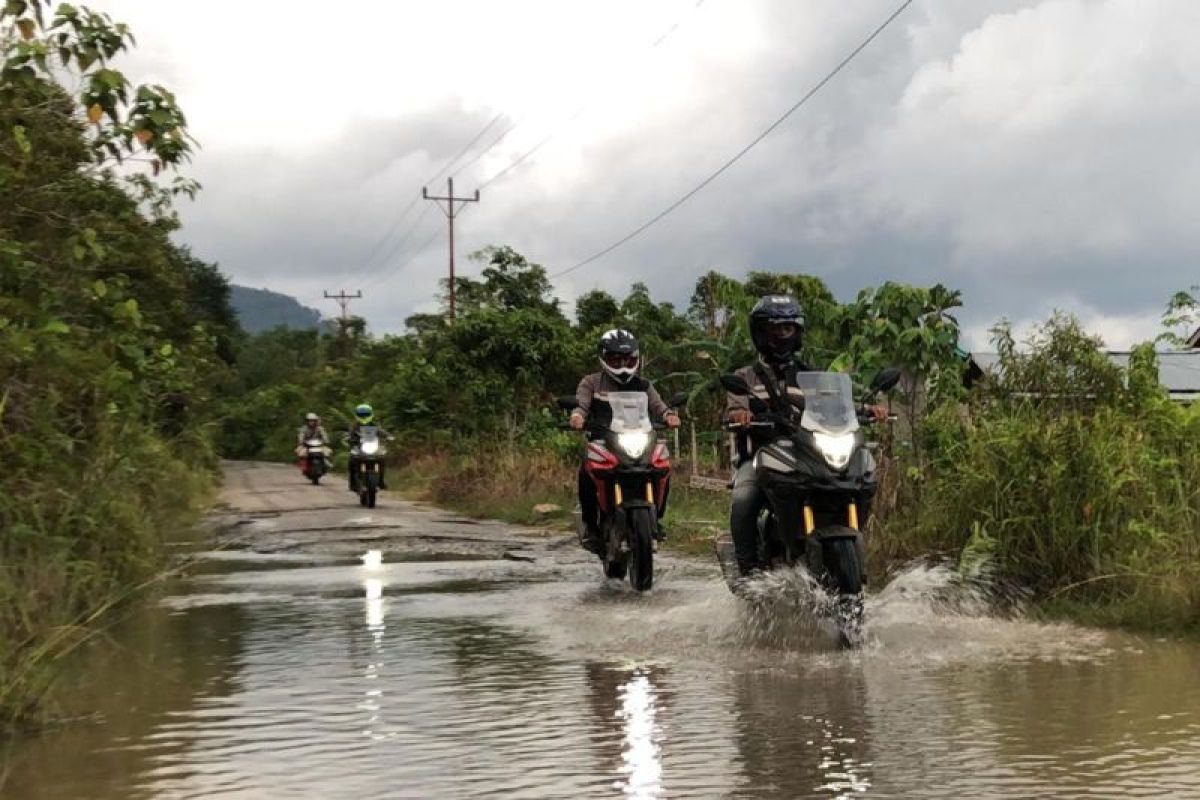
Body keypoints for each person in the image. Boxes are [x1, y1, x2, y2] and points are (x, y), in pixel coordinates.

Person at [724, 295, 886, 578]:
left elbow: (838, 404)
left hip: (805, 451)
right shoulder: (745, 377)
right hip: (762, 453)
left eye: (788, 329)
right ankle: (747, 572)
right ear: (761, 333)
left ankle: (849, 556)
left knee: (856, 481)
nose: (782, 335)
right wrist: (740, 416)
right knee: (744, 500)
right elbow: (734, 407)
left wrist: (866, 409)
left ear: (797, 333)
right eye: (776, 329)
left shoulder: (811, 375)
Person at [570, 329, 681, 552]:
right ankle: (591, 526)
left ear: (636, 358)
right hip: (603, 443)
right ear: (604, 358)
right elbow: (581, 405)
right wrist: (578, 416)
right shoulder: (591, 383)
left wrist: (669, 415)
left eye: (628, 359)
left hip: (641, 439)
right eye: (616, 359)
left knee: (663, 468)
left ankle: (657, 518)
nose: (622, 363)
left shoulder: (644, 385)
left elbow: (659, 406)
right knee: (585, 472)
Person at [347, 403, 389, 492]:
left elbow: (381, 432)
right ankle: (353, 483)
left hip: (373, 448)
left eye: (366, 415)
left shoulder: (374, 425)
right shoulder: (354, 426)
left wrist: (388, 436)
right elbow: (349, 435)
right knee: (351, 462)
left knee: (382, 460)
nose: (364, 417)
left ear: (371, 414)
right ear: (357, 415)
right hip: (359, 448)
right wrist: (349, 439)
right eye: (361, 415)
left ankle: (381, 481)